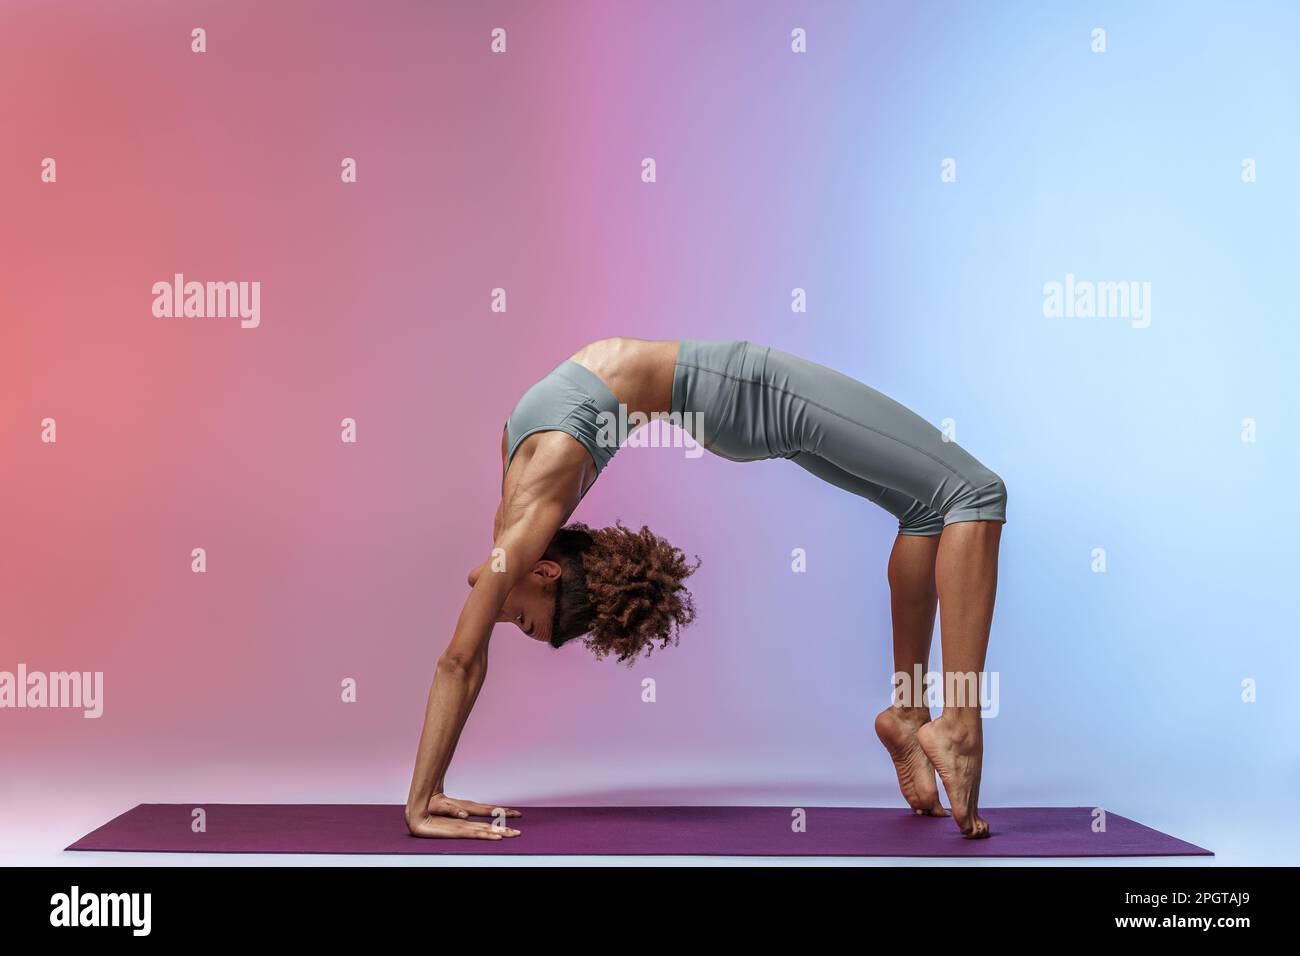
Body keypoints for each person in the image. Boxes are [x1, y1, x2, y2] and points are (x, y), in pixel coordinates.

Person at [405, 337, 1006, 840]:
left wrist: (418, 805)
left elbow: (461, 658)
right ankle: (944, 721)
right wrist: (429, 795)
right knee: (965, 496)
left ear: (547, 571)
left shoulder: (530, 510)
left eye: (524, 621)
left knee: (947, 503)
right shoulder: (521, 506)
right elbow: (471, 650)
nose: (502, 617)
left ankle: (924, 716)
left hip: (749, 395)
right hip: (737, 403)